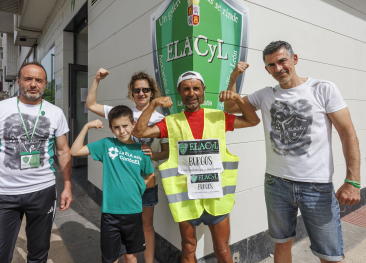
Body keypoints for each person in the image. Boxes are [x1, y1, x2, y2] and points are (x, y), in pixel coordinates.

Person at [224, 41, 361, 263]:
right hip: (276, 184)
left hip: (317, 187)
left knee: (330, 255)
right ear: (267, 69)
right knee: (281, 245)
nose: (278, 68)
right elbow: (229, 107)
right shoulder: (265, 95)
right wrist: (232, 79)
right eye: (271, 65)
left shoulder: (322, 89)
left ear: (294, 59)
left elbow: (348, 133)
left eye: (282, 61)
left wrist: (353, 180)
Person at [133, 71, 260, 263]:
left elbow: (253, 121)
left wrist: (237, 99)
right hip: (186, 200)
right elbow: (139, 131)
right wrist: (153, 104)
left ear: (203, 91)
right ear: (179, 92)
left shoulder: (218, 117)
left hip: (216, 198)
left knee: (223, 250)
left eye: (196, 88)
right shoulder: (171, 122)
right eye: (186, 89)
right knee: (189, 247)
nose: (191, 93)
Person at [0, 61, 73, 263]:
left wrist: (67, 185)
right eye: (28, 79)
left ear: (45, 84)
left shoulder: (56, 113)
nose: (33, 84)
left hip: (43, 191)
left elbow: (63, 150)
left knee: (39, 254)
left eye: (38, 80)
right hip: (3, 193)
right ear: (19, 81)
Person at [85, 68, 168, 263]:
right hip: (122, 186)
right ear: (132, 92)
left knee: (146, 226)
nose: (141, 93)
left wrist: (152, 153)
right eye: (137, 90)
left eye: (146, 90)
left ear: (152, 92)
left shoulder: (161, 120)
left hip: (147, 181)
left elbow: (167, 153)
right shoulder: (122, 113)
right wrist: (97, 79)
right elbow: (90, 104)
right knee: (124, 229)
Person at [70, 105, 154, 263]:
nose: (122, 131)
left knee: (130, 256)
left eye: (125, 126)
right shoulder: (107, 145)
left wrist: (137, 187)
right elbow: (74, 151)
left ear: (133, 124)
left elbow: (150, 177)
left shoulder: (141, 150)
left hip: (133, 212)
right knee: (110, 258)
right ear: (110, 128)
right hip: (110, 213)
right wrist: (87, 126)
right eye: (116, 127)